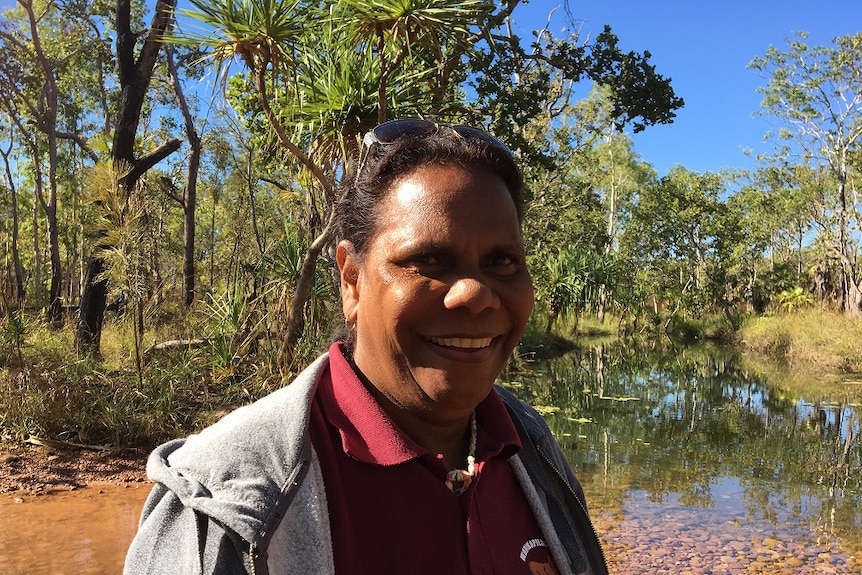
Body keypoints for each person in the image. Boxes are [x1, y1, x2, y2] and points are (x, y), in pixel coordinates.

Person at [124, 119, 608, 575]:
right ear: (352, 281)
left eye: (502, 261)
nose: (476, 294)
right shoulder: (220, 501)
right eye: (428, 260)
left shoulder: (532, 447)